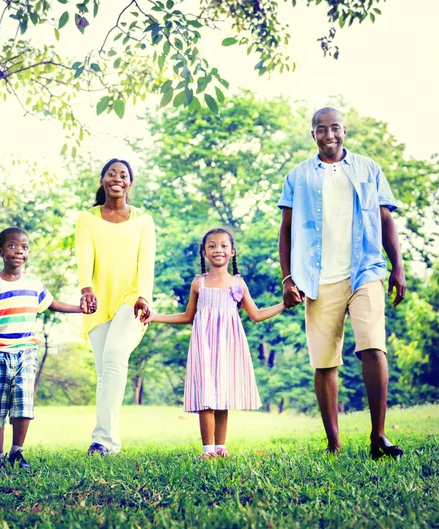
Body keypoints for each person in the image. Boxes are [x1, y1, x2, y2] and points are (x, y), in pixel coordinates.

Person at [278, 107, 406, 459]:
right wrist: (288, 278)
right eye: (322, 129)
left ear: (345, 131)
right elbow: (286, 230)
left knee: (373, 346)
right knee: (324, 362)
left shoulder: (368, 169)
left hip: (364, 269)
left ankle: (378, 437)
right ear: (313, 135)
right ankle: (334, 443)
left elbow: (385, 219)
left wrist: (398, 267)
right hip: (317, 278)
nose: (329, 134)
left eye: (335, 128)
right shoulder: (298, 176)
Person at [143, 228, 286, 459]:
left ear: (232, 252)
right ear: (204, 252)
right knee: (206, 395)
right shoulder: (198, 284)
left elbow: (256, 314)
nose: (217, 249)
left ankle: (220, 447)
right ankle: (207, 450)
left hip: (228, 346)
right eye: (211, 246)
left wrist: (284, 305)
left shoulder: (237, 283)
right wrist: (155, 317)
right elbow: (187, 316)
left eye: (222, 245)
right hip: (204, 346)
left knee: (222, 395)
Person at [0, 227, 88, 471]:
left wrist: (80, 308)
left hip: (26, 351)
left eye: (24, 247)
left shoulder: (33, 282)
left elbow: (52, 304)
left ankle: (17, 452)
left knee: (23, 402)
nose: (18, 251)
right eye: (12, 246)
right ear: (0, 251)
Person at [75, 158, 156, 455]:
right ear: (102, 180)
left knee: (114, 356)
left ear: (130, 183)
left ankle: (103, 440)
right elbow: (84, 255)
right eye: (112, 173)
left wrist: (144, 297)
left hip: (132, 299)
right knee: (105, 371)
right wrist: (86, 289)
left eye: (123, 174)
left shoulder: (143, 220)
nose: (117, 178)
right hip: (97, 301)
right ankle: (107, 440)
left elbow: (146, 262)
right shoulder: (86, 218)